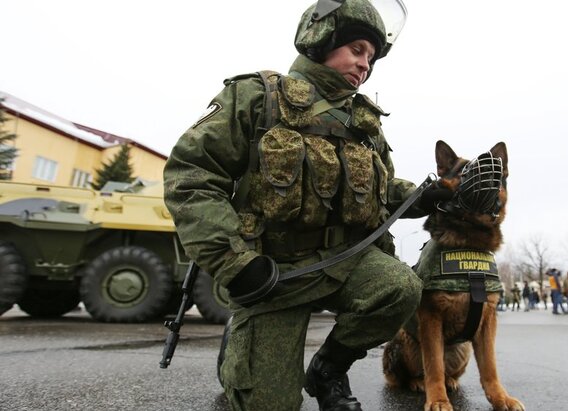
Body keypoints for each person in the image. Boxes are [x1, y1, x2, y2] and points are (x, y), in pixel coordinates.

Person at [162, 2, 446, 410]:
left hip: (344, 262)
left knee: (400, 288)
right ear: (321, 40)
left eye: (371, 57)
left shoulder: (363, 122)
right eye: (357, 49)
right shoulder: (257, 96)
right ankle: (242, 347)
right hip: (275, 271)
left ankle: (329, 369)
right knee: (270, 404)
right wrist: (234, 262)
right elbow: (192, 176)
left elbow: (381, 191)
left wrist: (426, 197)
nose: (364, 64)